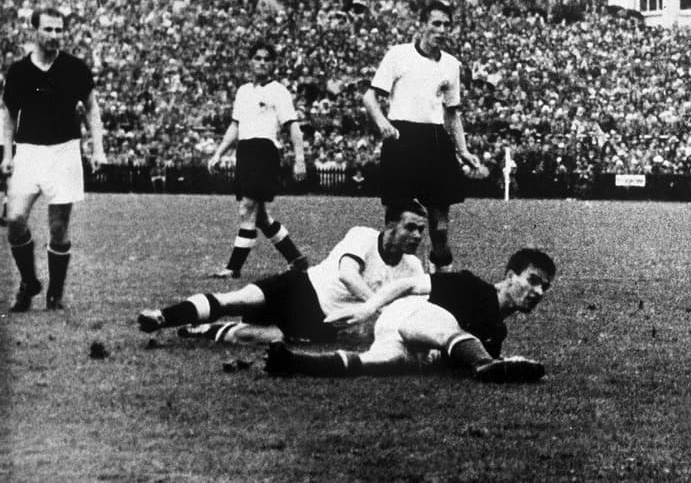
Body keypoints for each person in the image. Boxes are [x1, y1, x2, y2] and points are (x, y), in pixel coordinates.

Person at [137, 203, 431, 344]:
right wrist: (375, 307)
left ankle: (204, 330)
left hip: (321, 319)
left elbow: (417, 310)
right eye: (410, 227)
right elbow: (347, 275)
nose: (417, 235)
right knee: (236, 300)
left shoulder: (413, 268)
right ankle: (162, 317)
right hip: (301, 286)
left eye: (421, 230)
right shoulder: (363, 236)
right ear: (390, 225)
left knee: (262, 336)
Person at [264, 248, 555, 384]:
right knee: (445, 327)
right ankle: (485, 363)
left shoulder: (497, 332)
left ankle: (291, 360)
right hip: (406, 315)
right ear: (510, 276)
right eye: (532, 280)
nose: (538, 291)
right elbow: (409, 284)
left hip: (408, 342)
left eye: (544, 286)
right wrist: (368, 307)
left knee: (381, 363)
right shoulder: (473, 287)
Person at [362, 0, 484, 272]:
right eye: (436, 23)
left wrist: (463, 150)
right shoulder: (398, 54)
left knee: (440, 227)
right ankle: (388, 280)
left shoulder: (451, 65)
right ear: (422, 25)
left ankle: (442, 283)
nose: (441, 30)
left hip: (435, 141)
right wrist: (382, 122)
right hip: (402, 139)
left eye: (446, 25)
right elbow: (369, 97)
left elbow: (452, 113)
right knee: (397, 223)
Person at [2, 8, 107, 312]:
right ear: (33, 31)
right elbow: (8, 115)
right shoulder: (20, 71)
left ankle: (55, 294)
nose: (54, 36)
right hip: (29, 151)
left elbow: (91, 109)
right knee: (15, 218)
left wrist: (97, 148)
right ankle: (28, 282)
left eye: (59, 30)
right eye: (48, 30)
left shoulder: (74, 68)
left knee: (59, 228)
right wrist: (7, 154)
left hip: (64, 150)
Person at [206, 40, 310, 279]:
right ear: (250, 62)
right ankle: (297, 259)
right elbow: (235, 125)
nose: (262, 63)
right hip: (245, 151)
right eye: (257, 58)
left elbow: (293, 127)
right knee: (260, 217)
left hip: (264, 152)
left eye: (266, 59)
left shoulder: (278, 91)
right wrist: (219, 153)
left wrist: (300, 159)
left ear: (272, 63)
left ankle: (233, 269)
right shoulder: (243, 91)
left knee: (246, 209)